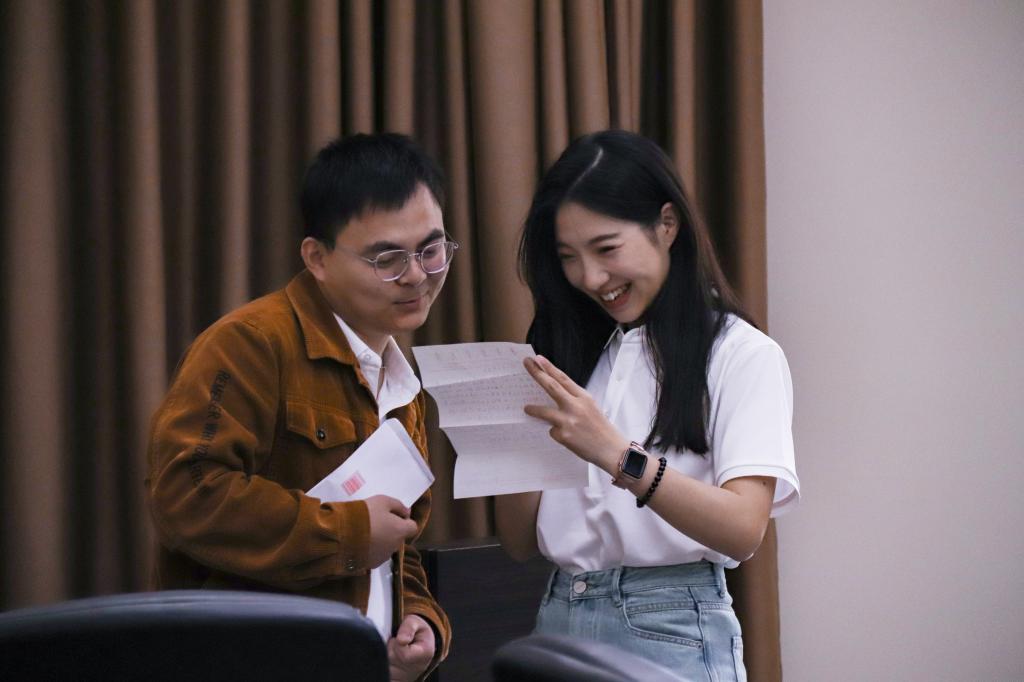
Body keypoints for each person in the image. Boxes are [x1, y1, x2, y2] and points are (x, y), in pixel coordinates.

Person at [146, 133, 455, 682]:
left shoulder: (400, 380)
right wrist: (348, 533)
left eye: (431, 250)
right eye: (387, 258)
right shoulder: (251, 344)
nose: (415, 275)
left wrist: (421, 621)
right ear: (317, 257)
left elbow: (397, 544)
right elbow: (186, 494)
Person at [495, 129, 800, 679]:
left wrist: (617, 456)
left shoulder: (741, 353)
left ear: (667, 224)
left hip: (671, 622)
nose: (590, 277)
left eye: (607, 249)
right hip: (558, 612)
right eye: (568, 257)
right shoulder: (568, 353)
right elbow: (517, 543)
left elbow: (744, 529)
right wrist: (506, 445)